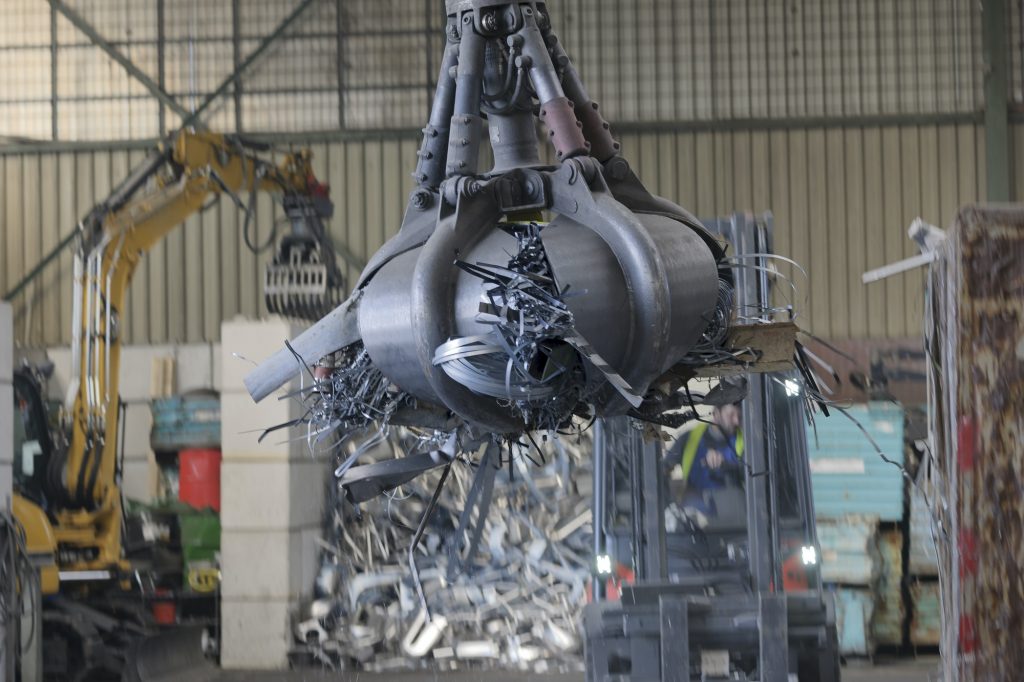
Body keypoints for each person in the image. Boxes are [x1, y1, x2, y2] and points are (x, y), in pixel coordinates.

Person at [663, 401, 744, 518]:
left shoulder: (745, 439)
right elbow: (664, 469)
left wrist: (727, 466)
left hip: (735, 517)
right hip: (696, 516)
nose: (736, 421)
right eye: (731, 415)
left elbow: (752, 474)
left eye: (739, 416)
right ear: (716, 414)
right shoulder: (689, 438)